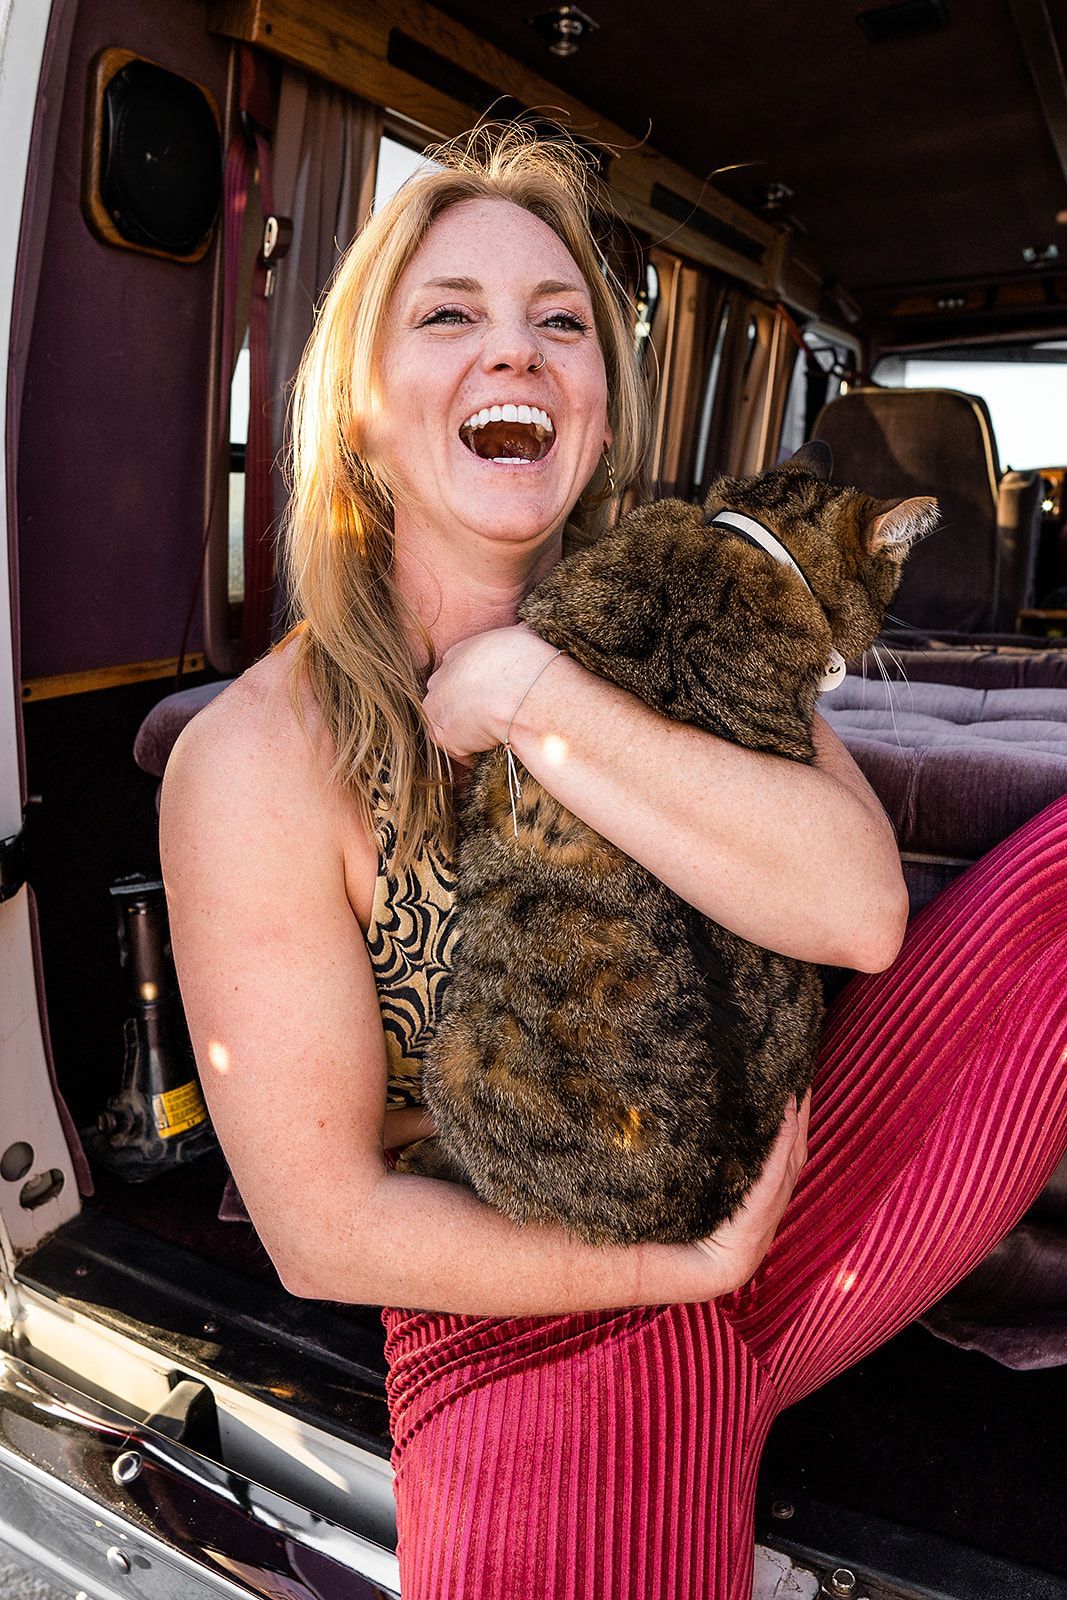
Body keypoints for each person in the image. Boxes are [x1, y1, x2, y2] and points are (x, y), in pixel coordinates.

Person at [161, 126, 1067, 1599]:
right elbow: (325, 1230)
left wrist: (537, 694)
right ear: (362, 410)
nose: (514, 350)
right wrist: (678, 1274)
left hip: (788, 1166)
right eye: (449, 314)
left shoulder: (671, 611)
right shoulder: (254, 758)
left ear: (594, 415)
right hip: (523, 1306)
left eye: (560, 322)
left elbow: (857, 912)